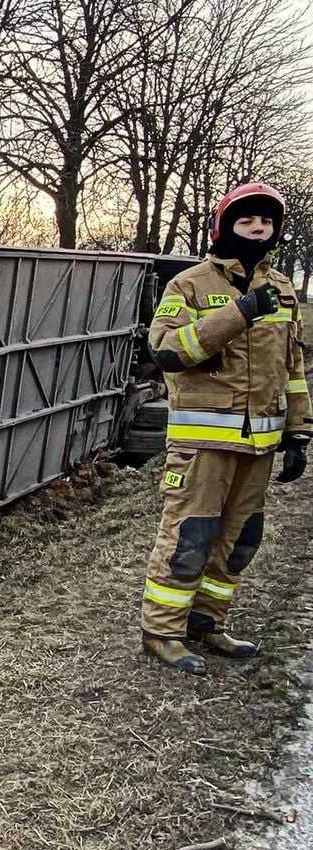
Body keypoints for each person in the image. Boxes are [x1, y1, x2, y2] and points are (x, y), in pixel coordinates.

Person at [141, 182, 311, 675]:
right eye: (246, 221)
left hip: (259, 445)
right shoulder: (190, 285)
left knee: (239, 538)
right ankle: (162, 632)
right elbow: (168, 352)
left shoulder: (281, 289)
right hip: (202, 445)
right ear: (225, 228)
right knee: (190, 536)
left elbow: (292, 364)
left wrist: (298, 431)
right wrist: (238, 314)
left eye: (266, 222)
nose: (258, 229)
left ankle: (206, 624)